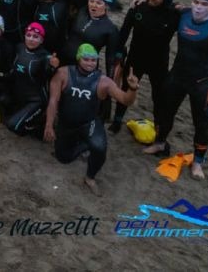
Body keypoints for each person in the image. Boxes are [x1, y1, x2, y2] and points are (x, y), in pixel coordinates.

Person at [143, 0, 208, 179]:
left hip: (203, 83)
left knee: (202, 123)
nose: (199, 7)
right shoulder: (184, 13)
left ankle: (197, 162)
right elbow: (166, 4)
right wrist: (143, 0)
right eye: (196, 2)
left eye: (204, 4)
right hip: (178, 76)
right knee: (164, 112)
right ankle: (160, 143)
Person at [45, 44, 140, 195]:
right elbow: (53, 101)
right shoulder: (63, 73)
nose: (90, 63)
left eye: (93, 60)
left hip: (89, 123)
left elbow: (125, 100)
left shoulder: (103, 81)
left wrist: (132, 89)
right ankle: (83, 145)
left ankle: (90, 177)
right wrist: (49, 125)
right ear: (78, 59)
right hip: (66, 123)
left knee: (99, 147)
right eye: (86, 59)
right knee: (63, 158)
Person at [110, 0, 178, 132]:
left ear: (166, 1)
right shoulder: (139, 7)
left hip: (159, 63)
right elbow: (125, 31)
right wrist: (119, 53)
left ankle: (159, 127)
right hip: (136, 59)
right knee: (126, 88)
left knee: (159, 96)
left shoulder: (174, 14)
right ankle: (117, 121)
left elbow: (193, 15)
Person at [3, 22, 58, 136]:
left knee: (13, 126)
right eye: (29, 35)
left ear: (41, 40)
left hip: (36, 101)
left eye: (36, 37)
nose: (31, 39)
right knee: (3, 101)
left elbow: (49, 74)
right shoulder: (19, 48)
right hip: (20, 95)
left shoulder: (44, 57)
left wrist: (53, 67)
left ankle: (39, 127)